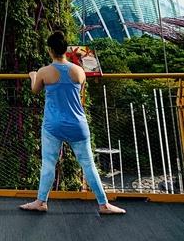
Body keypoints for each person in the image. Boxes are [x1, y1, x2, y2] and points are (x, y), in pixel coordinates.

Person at [20, 30, 125, 215]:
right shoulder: (78, 71)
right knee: (88, 164)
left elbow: (35, 90)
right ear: (65, 50)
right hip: (78, 124)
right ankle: (104, 204)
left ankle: (41, 201)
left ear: (50, 50)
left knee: (48, 163)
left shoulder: (45, 72)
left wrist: (33, 76)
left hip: (53, 126)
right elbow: (79, 91)